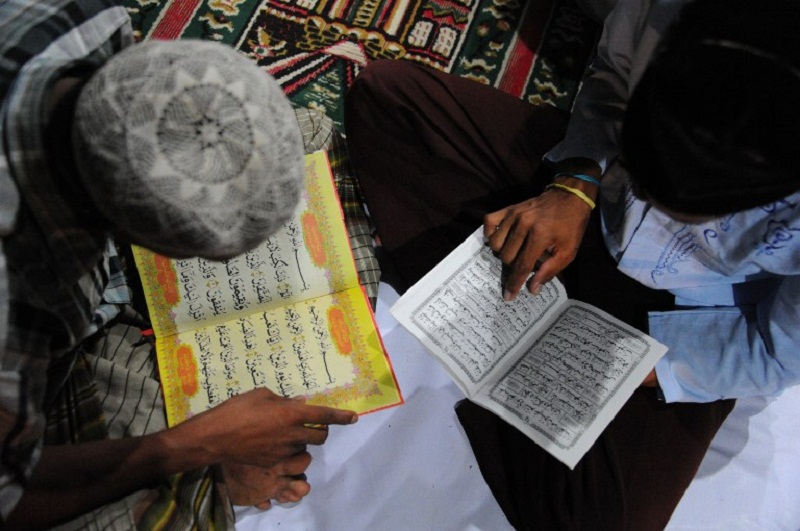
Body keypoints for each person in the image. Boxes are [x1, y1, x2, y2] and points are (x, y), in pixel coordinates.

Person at [344, 0, 800, 528]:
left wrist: (654, 369)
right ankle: (494, 324)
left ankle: (490, 333)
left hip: (685, 315)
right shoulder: (669, 11)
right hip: (589, 207)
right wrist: (576, 184)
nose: (655, 211)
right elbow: (609, 77)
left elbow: (777, 347)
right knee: (389, 99)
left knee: (595, 520)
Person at [0, 1, 359, 529]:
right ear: (123, 235)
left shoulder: (80, 20)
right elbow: (9, 501)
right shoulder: (25, 311)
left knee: (310, 136)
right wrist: (194, 445)